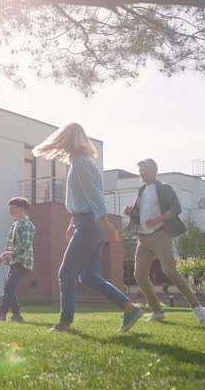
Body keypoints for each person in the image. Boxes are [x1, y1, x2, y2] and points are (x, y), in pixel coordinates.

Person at [33, 123, 143, 333]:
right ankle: (129, 308)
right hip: (85, 222)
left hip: (90, 224)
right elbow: (82, 197)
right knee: (89, 277)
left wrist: (103, 221)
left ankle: (65, 322)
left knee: (66, 272)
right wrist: (71, 224)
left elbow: (93, 194)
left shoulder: (80, 163)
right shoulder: (82, 161)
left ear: (67, 140)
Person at [124, 158, 205, 324]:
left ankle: (197, 307)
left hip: (160, 234)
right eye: (139, 170)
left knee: (170, 271)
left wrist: (157, 220)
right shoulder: (141, 191)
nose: (140, 173)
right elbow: (138, 214)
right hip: (143, 238)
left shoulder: (164, 188)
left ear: (153, 171)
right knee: (139, 274)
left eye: (143, 170)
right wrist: (130, 212)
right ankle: (157, 311)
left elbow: (176, 208)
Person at [0, 197, 35, 323]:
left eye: (12, 208)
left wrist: (11, 253)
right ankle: (17, 315)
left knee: (9, 287)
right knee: (9, 287)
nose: (10, 211)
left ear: (21, 209)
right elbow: (10, 246)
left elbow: (26, 244)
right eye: (9, 209)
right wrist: (2, 257)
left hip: (23, 261)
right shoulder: (15, 224)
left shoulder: (26, 224)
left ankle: (1, 315)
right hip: (15, 261)